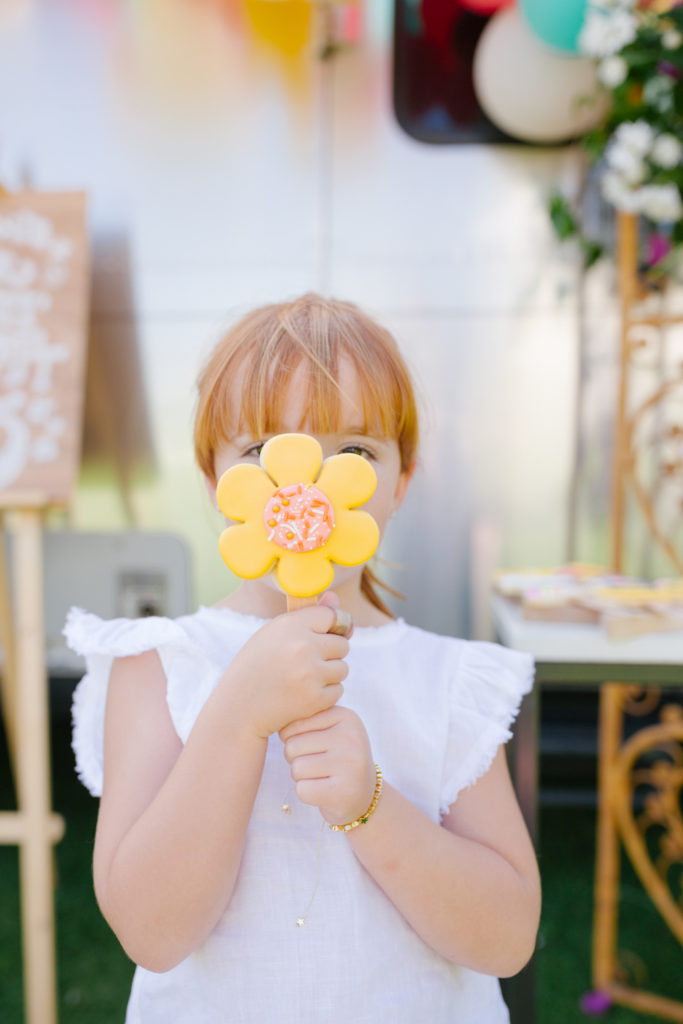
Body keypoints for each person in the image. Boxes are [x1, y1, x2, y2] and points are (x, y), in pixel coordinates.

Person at [65, 293, 541, 1023]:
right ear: (213, 480)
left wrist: (370, 806)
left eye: (353, 453)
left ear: (401, 482)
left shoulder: (450, 683)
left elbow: (506, 939)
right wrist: (237, 715)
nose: (305, 488)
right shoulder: (160, 666)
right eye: (262, 452)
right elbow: (152, 933)